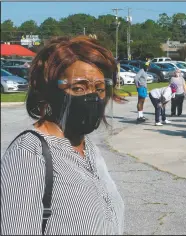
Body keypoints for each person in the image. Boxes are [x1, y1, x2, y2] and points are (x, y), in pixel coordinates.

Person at [1, 36, 125, 235]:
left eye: (99, 89)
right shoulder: (29, 153)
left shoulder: (89, 149)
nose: (92, 97)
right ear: (48, 91)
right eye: (78, 88)